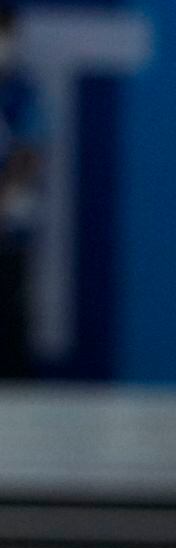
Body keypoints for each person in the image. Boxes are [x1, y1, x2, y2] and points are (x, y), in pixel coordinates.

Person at [0, 3, 43, 379]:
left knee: (10, 302)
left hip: (10, 222)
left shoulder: (21, 91)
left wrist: (5, 200)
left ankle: (15, 380)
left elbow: (30, 153)